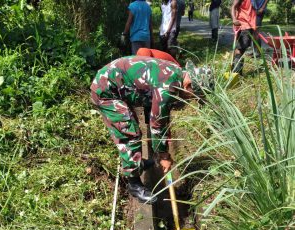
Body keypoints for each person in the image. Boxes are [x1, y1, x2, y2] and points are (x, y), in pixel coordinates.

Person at [90, 56, 213, 204]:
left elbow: (162, 115)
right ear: (188, 85)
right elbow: (157, 124)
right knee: (130, 134)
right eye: (193, 95)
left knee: (135, 128)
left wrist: (163, 149)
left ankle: (139, 163)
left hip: (117, 86)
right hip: (106, 91)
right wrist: (163, 156)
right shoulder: (168, 87)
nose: (191, 99)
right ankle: (134, 184)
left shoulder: (176, 74)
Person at [231, 0, 257, 74]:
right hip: (243, 25)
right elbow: (233, 6)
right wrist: (234, 19)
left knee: (241, 49)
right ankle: (237, 73)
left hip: (250, 25)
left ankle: (235, 71)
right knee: (240, 49)